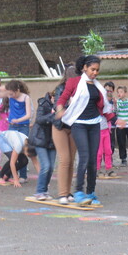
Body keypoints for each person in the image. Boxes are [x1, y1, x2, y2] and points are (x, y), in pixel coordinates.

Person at [56, 55, 124, 205]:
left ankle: (91, 193)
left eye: (97, 70)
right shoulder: (73, 82)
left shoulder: (98, 87)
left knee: (93, 161)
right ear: (84, 68)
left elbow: (105, 109)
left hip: (95, 124)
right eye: (92, 69)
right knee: (85, 157)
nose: (95, 73)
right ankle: (79, 191)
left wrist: (115, 120)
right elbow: (62, 99)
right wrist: (60, 110)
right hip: (78, 124)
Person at [0, 80, 39, 182]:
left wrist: (18, 120)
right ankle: (7, 175)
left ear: (17, 90)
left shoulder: (25, 98)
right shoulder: (10, 96)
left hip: (23, 126)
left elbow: (28, 114)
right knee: (14, 153)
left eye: (12, 93)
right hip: (12, 126)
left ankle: (22, 175)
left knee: (23, 151)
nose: (11, 96)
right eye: (9, 94)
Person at [52, 65, 78, 205]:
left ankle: (68, 192)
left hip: (74, 127)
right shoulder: (61, 89)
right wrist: (67, 106)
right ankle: (62, 194)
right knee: (65, 159)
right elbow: (58, 105)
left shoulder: (81, 90)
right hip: (60, 127)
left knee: (71, 160)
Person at [30, 91, 56, 200]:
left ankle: (44, 191)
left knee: (51, 167)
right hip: (40, 138)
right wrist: (53, 114)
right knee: (45, 166)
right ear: (52, 97)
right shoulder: (43, 103)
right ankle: (39, 191)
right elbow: (39, 119)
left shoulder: (63, 106)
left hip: (52, 140)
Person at [96, 96, 115, 177]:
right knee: (99, 152)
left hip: (106, 130)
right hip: (98, 131)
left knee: (108, 150)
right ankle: (97, 169)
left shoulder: (106, 109)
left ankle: (109, 168)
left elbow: (111, 116)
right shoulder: (95, 109)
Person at [104, 81, 117, 155]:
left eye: (110, 91)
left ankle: (110, 156)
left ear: (113, 91)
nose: (108, 92)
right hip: (103, 125)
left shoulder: (113, 101)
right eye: (106, 90)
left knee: (112, 142)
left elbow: (116, 113)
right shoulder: (101, 100)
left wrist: (115, 104)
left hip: (112, 125)